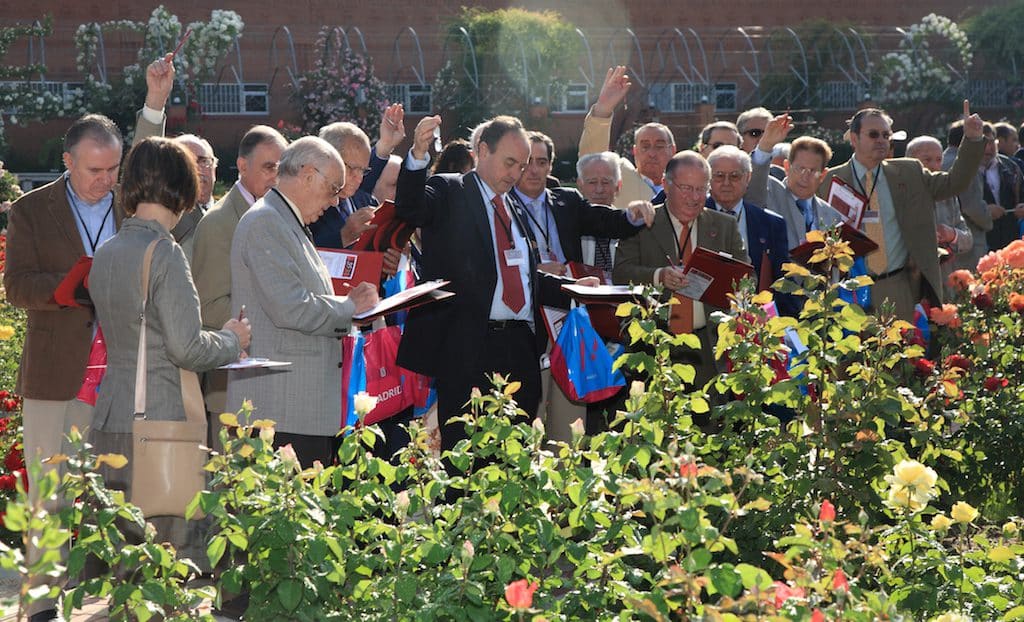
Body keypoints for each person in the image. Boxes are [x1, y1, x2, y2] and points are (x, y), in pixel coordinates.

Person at [4, 54, 173, 622]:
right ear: (67, 161)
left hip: (124, 371)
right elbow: (16, 287)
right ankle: (42, 605)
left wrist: (154, 100)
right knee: (49, 495)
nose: (105, 181)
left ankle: (127, 600)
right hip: (58, 375)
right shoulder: (31, 210)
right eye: (94, 171)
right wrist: (72, 286)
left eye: (112, 170)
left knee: (125, 491)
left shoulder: (129, 202)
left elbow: (153, 156)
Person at [88, 137, 250, 562]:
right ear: (182, 188)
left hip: (111, 413)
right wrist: (233, 340)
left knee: (125, 557)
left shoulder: (106, 251)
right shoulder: (165, 254)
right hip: (161, 420)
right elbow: (187, 347)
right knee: (168, 557)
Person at [394, 114, 589, 452]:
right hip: (469, 348)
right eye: (510, 163)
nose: (517, 174)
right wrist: (418, 155)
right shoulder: (451, 189)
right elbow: (410, 209)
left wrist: (573, 289)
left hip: (520, 348)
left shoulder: (513, 203)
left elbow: (520, 277)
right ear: (483, 150)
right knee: (466, 458)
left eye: (523, 165)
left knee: (516, 456)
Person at [226, 137, 379, 467]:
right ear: (308, 174)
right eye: (334, 187)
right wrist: (349, 307)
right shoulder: (266, 221)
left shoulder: (285, 221)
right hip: (279, 411)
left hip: (296, 409)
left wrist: (348, 307)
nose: (337, 201)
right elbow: (291, 307)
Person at [509, 131, 653, 442]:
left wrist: (634, 213)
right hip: (525, 322)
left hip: (567, 320)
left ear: (551, 167)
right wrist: (533, 269)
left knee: (568, 420)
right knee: (527, 415)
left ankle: (565, 480)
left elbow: (607, 221)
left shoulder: (567, 200)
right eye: (527, 162)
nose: (534, 170)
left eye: (542, 162)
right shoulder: (500, 205)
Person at [819, 102, 985, 320]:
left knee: (904, 352)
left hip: (898, 285)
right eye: (873, 134)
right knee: (855, 353)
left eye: (886, 135)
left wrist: (972, 139)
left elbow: (954, 182)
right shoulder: (829, 180)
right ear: (854, 138)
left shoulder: (910, 171)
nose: (881, 140)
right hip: (850, 290)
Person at [613, 151, 748, 389]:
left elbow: (748, 279)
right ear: (666, 185)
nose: (694, 197)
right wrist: (659, 276)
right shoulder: (642, 222)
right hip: (654, 342)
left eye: (701, 189)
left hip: (709, 344)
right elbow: (621, 273)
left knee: (711, 421)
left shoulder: (725, 226)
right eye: (686, 188)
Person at [190, 125, 287, 420]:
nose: (276, 176)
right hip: (232, 388)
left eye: (282, 168)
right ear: (242, 166)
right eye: (268, 167)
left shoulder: (283, 214)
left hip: (274, 380)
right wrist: (280, 319)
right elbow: (210, 307)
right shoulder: (218, 223)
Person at [705, 146, 789, 309]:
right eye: (719, 176)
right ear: (708, 178)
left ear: (748, 177)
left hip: (754, 318)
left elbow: (782, 283)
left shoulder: (771, 223)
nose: (726, 183)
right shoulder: (695, 216)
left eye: (735, 176)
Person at [906, 135, 973, 285]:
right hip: (910, 280)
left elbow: (968, 239)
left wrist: (952, 234)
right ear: (908, 162)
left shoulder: (948, 196)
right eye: (927, 160)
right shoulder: (898, 193)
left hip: (944, 280)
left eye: (938, 159)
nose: (934, 166)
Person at [765, 136, 844, 250]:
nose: (805, 177)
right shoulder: (769, 195)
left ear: (823, 175)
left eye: (813, 171)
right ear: (787, 167)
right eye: (800, 168)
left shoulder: (833, 217)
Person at [945, 120, 992, 271]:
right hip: (969, 243)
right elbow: (972, 206)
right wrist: (989, 218)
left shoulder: (942, 160)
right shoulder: (968, 165)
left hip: (948, 241)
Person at [170, 133, 217, 259]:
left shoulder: (232, 214)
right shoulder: (168, 220)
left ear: (214, 169)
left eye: (203, 161)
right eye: (187, 162)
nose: (197, 169)